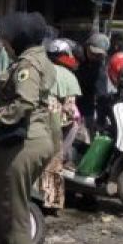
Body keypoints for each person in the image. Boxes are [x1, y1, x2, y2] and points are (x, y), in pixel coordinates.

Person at [0, 12, 57, 244]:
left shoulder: (28, 64)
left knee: (12, 203)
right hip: (26, 140)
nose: (4, 43)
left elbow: (25, 102)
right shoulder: (32, 60)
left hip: (24, 142)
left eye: (8, 38)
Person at [40, 39, 83, 210]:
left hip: (34, 122)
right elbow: (71, 109)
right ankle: (51, 202)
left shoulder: (39, 70)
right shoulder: (68, 76)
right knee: (54, 161)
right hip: (55, 124)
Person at [76, 32, 110, 130]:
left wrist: (100, 121)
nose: (95, 57)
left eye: (99, 55)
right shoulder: (75, 55)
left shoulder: (100, 72)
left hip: (86, 108)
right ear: (86, 46)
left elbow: (102, 98)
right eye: (93, 53)